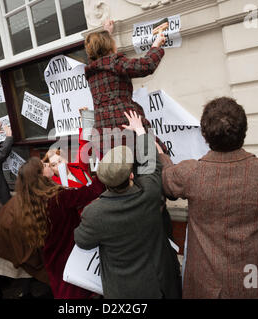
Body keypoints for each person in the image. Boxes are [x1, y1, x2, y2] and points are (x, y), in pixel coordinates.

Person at [159, 97, 258, 298]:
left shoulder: (191, 173)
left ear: (205, 135)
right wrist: (257, 242)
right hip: (252, 278)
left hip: (205, 281)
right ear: (244, 131)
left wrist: (160, 154)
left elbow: (165, 179)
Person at [74, 111, 182, 299]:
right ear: (131, 175)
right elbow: (151, 163)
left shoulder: (94, 213)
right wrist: (140, 130)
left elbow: (81, 240)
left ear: (106, 183)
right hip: (159, 285)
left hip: (123, 292)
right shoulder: (149, 194)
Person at [0, 157, 105, 299]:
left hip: (52, 258)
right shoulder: (59, 198)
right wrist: (104, 168)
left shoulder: (29, 202)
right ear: (41, 175)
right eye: (44, 165)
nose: (48, 165)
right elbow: (92, 191)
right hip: (72, 255)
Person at [84, 20, 167, 155]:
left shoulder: (91, 71)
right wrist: (156, 45)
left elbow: (99, 54)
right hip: (125, 125)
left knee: (121, 170)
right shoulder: (114, 63)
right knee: (156, 157)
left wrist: (107, 33)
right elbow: (146, 65)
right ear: (109, 46)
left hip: (103, 133)